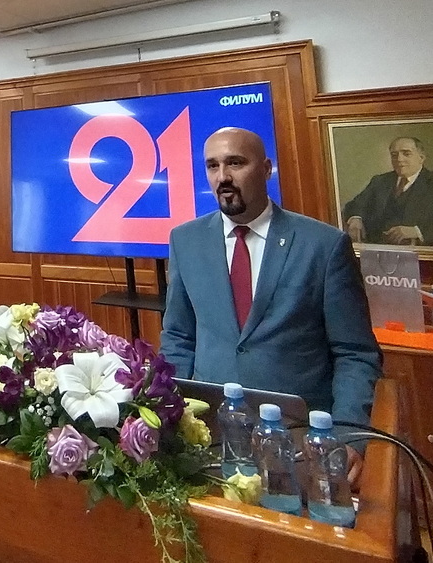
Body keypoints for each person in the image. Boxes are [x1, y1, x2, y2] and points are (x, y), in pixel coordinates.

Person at [160, 127, 382, 487]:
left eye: (235, 163)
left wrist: (348, 434)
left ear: (266, 169)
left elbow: (355, 353)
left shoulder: (324, 246)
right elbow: (179, 339)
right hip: (210, 440)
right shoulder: (186, 240)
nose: (223, 176)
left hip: (303, 446)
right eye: (213, 166)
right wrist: (166, 416)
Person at [343, 137, 433, 245]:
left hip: (417, 251)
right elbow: (355, 205)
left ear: (421, 158)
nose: (399, 159)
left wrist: (417, 231)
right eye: (394, 155)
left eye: (406, 154)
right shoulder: (380, 181)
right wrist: (355, 219)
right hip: (375, 248)